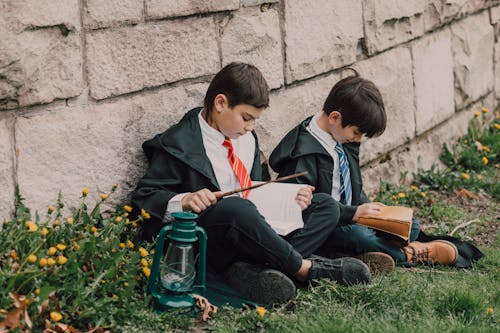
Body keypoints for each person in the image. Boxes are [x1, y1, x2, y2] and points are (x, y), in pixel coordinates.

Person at [130, 62, 372, 305]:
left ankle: (254, 270)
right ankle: (304, 268)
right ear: (221, 103)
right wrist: (184, 200)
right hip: (213, 238)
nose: (250, 127)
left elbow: (258, 187)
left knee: (325, 205)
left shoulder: (247, 139)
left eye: (254, 120)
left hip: (254, 231)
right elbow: (144, 197)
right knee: (236, 208)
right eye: (246, 118)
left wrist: (292, 197)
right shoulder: (179, 143)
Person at [269, 69, 459, 268]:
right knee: (359, 236)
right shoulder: (303, 155)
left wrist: (371, 211)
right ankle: (409, 254)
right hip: (330, 225)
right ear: (334, 117)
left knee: (410, 226)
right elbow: (307, 213)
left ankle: (367, 252)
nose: (358, 139)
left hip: (353, 214)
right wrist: (354, 213)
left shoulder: (341, 136)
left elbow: (351, 184)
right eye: (357, 132)